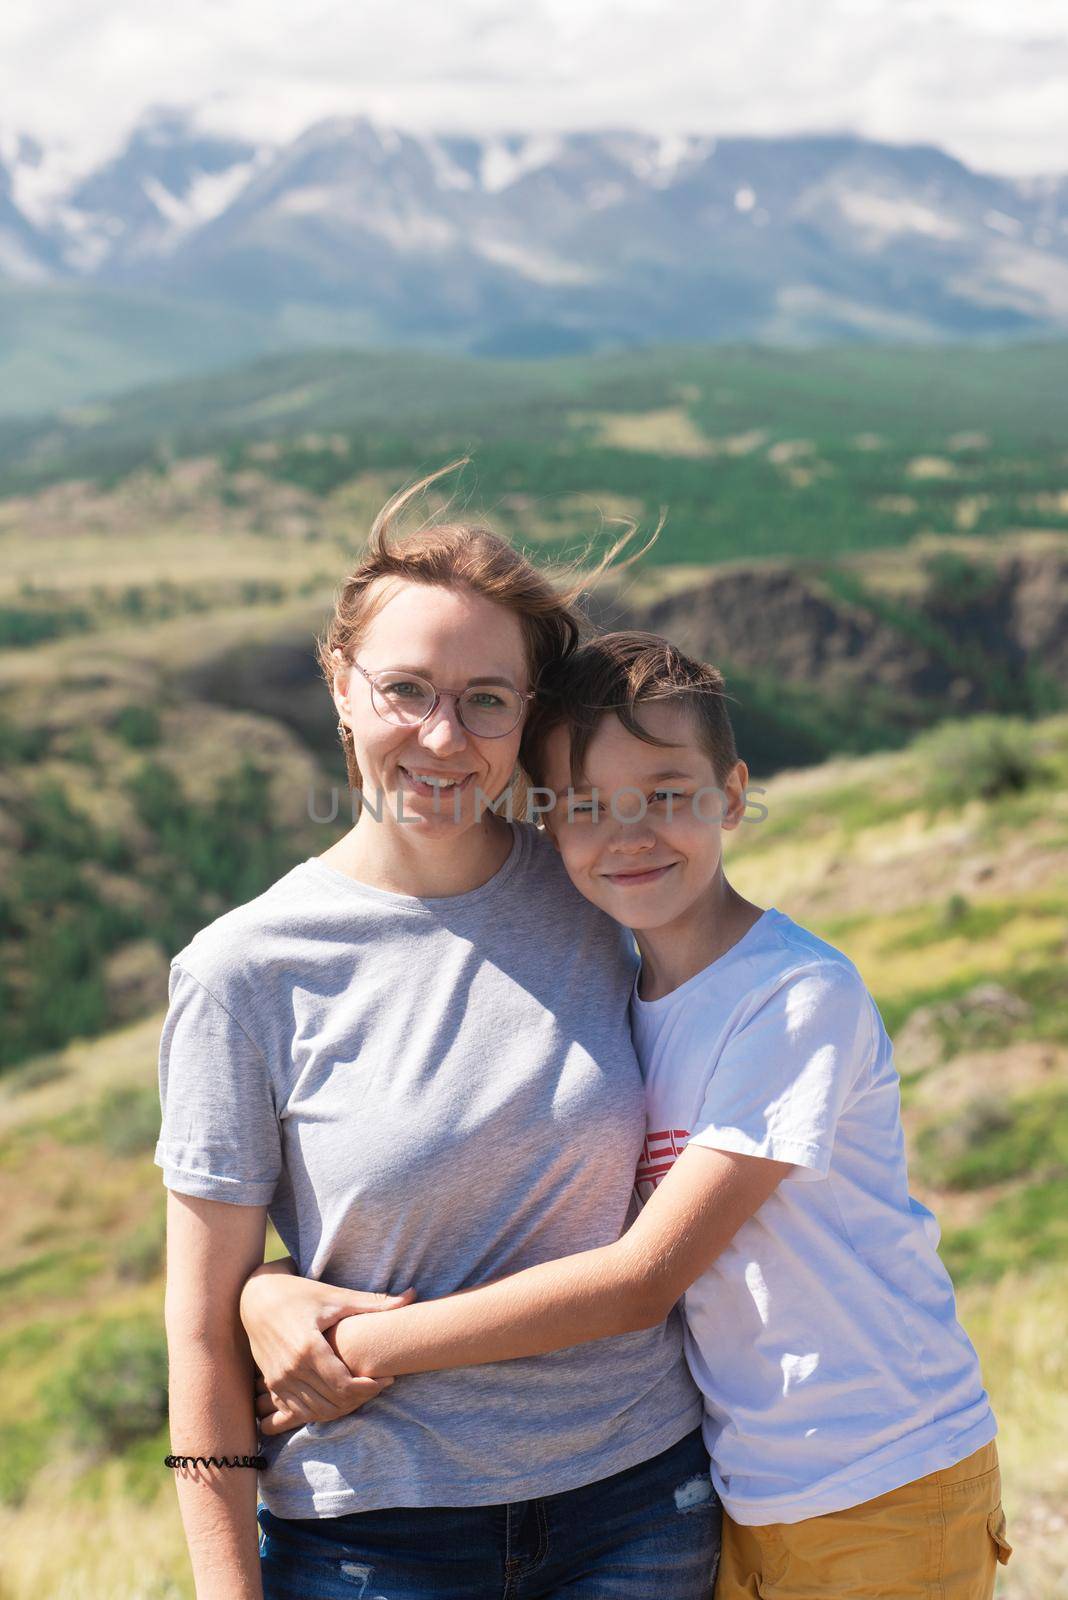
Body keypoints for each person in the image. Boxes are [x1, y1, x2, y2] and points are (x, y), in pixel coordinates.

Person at [244, 631, 1014, 1600]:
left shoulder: (791, 996)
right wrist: (270, 1290)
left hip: (881, 1470)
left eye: (664, 794)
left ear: (732, 793)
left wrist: (349, 1349)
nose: (630, 834)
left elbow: (639, 1280)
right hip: (746, 1484)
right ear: (545, 824)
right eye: (588, 808)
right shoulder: (612, 987)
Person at [154, 469, 719, 1600]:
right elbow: (199, 1335)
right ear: (341, 685)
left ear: (530, 712)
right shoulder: (242, 972)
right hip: (376, 1537)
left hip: (638, 1504)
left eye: (488, 699)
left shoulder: (605, 889)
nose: (442, 735)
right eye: (406, 689)